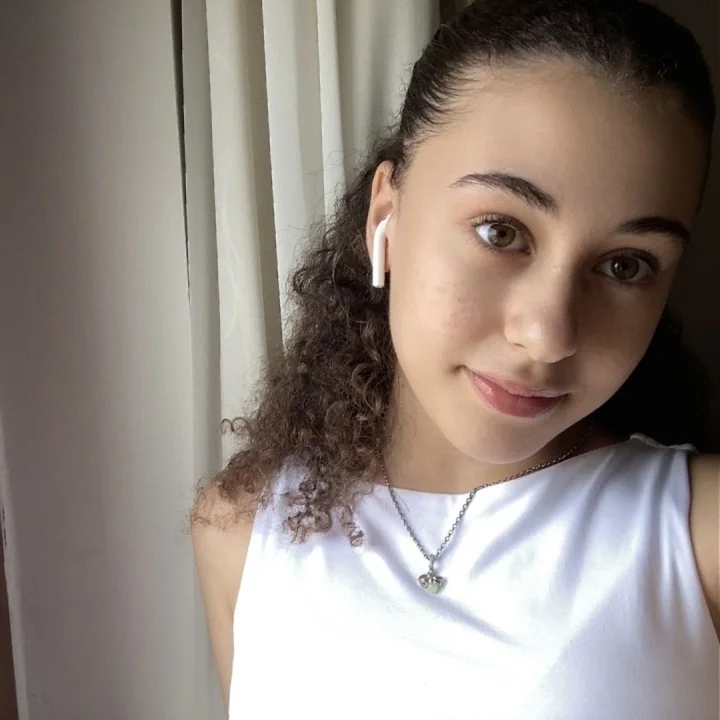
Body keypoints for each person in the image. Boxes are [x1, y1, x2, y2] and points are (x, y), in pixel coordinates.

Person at [191, 1, 720, 717]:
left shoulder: (699, 536)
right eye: (501, 231)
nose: (547, 334)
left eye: (625, 266)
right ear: (386, 213)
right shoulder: (239, 529)